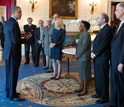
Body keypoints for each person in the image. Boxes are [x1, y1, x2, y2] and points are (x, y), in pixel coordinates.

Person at [4, 6, 32, 100]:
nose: (21, 13)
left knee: (9, 73)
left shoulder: (7, 22)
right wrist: (25, 39)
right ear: (13, 13)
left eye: (21, 12)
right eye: (19, 12)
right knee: (13, 74)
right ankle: (12, 95)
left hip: (8, 51)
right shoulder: (14, 23)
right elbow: (15, 41)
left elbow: (10, 38)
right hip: (13, 53)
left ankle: (9, 91)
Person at [91, 13, 113, 104]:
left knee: (103, 77)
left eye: (98, 18)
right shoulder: (102, 29)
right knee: (98, 76)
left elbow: (104, 44)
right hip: (98, 57)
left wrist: (95, 53)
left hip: (103, 57)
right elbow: (97, 42)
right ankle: (99, 93)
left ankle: (104, 97)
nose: (97, 19)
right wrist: (93, 52)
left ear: (104, 20)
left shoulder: (108, 29)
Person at [107, 3, 124, 107]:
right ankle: (113, 103)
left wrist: (122, 62)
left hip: (120, 61)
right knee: (114, 83)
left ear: (122, 11)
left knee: (120, 85)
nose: (115, 12)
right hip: (114, 59)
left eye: (117, 10)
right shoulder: (119, 24)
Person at [74, 20, 91, 96]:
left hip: (84, 56)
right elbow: (79, 46)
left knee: (84, 73)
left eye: (81, 25)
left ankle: (85, 89)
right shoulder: (82, 34)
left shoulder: (87, 34)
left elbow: (84, 46)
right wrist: (76, 53)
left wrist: (78, 55)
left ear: (85, 27)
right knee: (81, 72)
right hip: (81, 56)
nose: (79, 27)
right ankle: (81, 87)